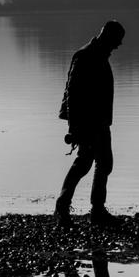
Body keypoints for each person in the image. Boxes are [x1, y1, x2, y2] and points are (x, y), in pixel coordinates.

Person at [56, 19, 126, 221]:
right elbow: (72, 94)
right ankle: (63, 207)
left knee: (103, 163)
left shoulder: (100, 54)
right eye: (117, 40)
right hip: (88, 121)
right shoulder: (85, 56)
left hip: (100, 121)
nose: (119, 45)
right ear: (108, 36)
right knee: (84, 164)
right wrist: (74, 127)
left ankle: (96, 210)